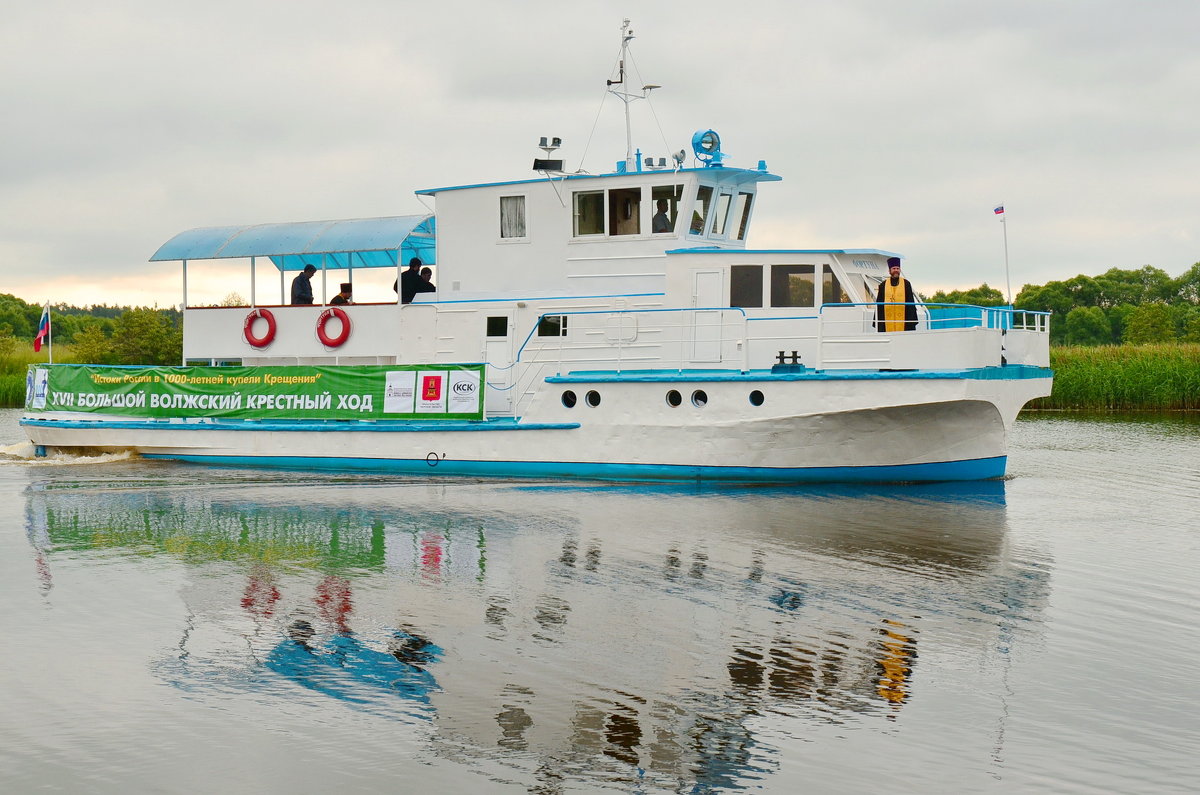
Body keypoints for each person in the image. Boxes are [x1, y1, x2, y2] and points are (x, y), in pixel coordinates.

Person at [875, 257, 918, 332]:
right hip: (887, 322)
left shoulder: (906, 284)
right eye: (894, 268)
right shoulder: (883, 285)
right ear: (889, 271)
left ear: (900, 270)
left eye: (898, 268)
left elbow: (911, 303)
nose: (896, 270)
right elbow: (879, 305)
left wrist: (911, 322)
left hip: (904, 321)